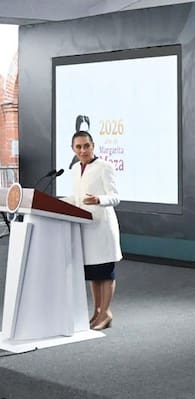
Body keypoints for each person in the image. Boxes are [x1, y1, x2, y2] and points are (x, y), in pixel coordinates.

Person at [70, 130, 122, 331]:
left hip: (102, 228)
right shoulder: (75, 169)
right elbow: (77, 198)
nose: (83, 150)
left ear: (93, 146)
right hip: (86, 229)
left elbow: (115, 197)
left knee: (105, 273)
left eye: (86, 146)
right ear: (73, 149)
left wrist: (99, 199)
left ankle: (106, 313)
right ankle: (97, 311)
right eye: (78, 147)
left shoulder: (104, 167)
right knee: (93, 273)